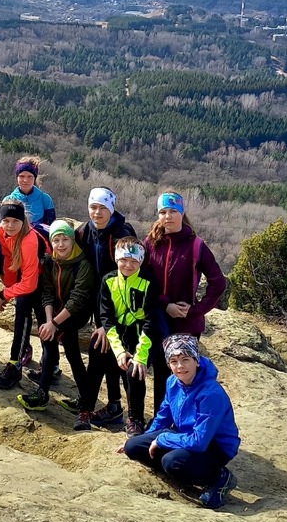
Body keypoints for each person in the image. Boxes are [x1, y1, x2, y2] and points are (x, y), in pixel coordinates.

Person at [122, 335, 240, 510]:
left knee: (173, 462)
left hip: (213, 446)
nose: (180, 366)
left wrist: (162, 440)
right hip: (184, 435)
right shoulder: (172, 382)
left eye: (186, 359)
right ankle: (178, 466)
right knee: (132, 447)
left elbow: (200, 442)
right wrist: (146, 439)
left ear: (196, 361)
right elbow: (163, 416)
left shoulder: (210, 393)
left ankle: (219, 477)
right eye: (174, 361)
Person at [143, 191, 227, 412]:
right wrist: (164, 304)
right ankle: (162, 420)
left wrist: (196, 310)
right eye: (163, 212)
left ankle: (185, 419)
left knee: (185, 374)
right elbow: (143, 278)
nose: (168, 216)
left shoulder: (196, 245)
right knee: (162, 372)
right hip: (159, 318)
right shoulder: (151, 243)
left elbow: (218, 282)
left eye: (173, 211)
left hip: (185, 323)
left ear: (182, 213)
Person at [82, 237, 163, 435]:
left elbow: (150, 321)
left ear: (141, 262)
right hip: (118, 334)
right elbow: (106, 317)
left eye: (134, 261)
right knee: (97, 348)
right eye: (124, 260)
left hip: (142, 336)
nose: (128, 265)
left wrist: (141, 355)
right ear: (117, 258)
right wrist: (119, 351)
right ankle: (85, 409)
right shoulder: (108, 280)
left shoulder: (148, 282)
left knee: (134, 370)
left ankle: (135, 419)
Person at [75, 186, 137, 427]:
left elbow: (128, 272)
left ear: (111, 209)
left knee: (117, 356)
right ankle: (112, 406)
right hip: (99, 302)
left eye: (102, 207)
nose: (97, 212)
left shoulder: (122, 232)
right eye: (93, 206)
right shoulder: (84, 232)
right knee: (104, 353)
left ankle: (132, 415)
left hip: (122, 305)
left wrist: (106, 324)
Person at [17, 220, 94, 411]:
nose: (61, 245)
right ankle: (85, 399)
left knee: (57, 345)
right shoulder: (51, 261)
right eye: (56, 240)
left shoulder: (83, 264)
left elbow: (77, 299)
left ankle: (43, 395)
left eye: (65, 239)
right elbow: (47, 292)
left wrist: (54, 324)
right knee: (69, 351)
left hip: (76, 313)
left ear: (72, 240)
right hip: (58, 311)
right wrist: (49, 320)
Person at [0, 199, 42, 389]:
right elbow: (8, 260)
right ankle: (18, 361)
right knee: (22, 314)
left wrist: (6, 293)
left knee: (39, 320)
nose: (10, 226)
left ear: (23, 221)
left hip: (44, 280)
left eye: (15, 221)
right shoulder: (2, 232)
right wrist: (10, 288)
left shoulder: (29, 240)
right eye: (6, 220)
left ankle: (43, 365)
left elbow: (30, 283)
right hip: (26, 277)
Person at [4, 156, 56, 233]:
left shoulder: (45, 199)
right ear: (17, 177)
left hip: (40, 242)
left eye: (29, 177)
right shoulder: (9, 200)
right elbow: (6, 227)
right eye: (22, 176)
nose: (25, 180)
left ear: (34, 178)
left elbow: (51, 228)